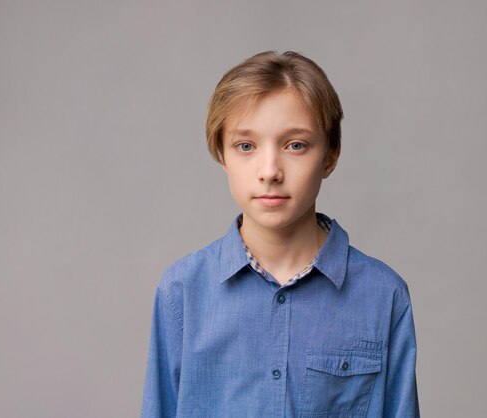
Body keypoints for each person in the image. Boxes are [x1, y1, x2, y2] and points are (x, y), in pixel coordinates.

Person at [141, 50, 420, 418]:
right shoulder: (181, 293)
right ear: (221, 155)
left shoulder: (384, 296)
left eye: (295, 145)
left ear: (330, 156)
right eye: (246, 146)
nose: (270, 171)